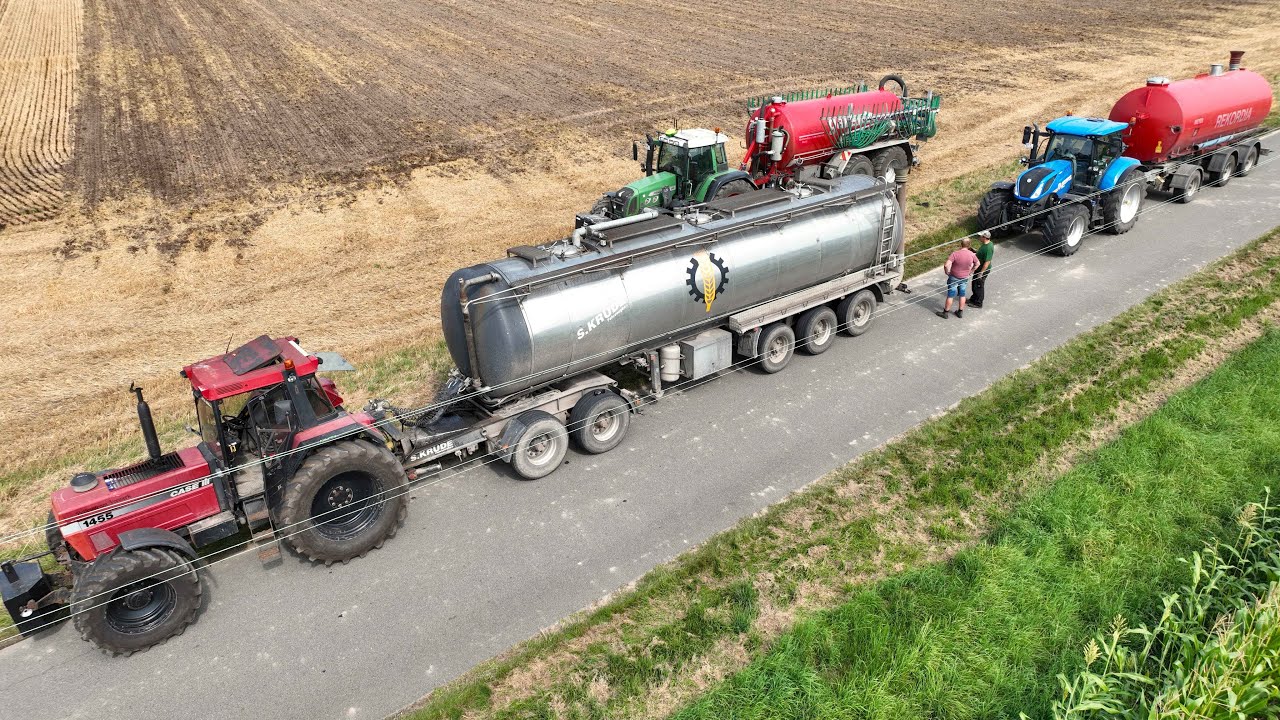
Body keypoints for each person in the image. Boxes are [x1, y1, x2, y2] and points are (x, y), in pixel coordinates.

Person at [936, 237, 979, 319]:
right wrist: (971, 271)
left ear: (961, 244)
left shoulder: (955, 254)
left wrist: (946, 271)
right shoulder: (972, 254)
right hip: (965, 277)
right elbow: (978, 263)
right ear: (969, 245)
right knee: (962, 294)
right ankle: (960, 312)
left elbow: (946, 264)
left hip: (954, 277)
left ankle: (946, 313)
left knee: (951, 295)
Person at [969, 230, 994, 308]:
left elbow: (987, 262)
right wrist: (975, 251)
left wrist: (981, 273)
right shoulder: (985, 244)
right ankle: (974, 299)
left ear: (985, 237)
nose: (979, 237)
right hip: (978, 268)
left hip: (982, 270)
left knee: (979, 286)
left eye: (980, 236)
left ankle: (979, 303)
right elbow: (981, 254)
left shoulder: (988, 248)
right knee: (974, 284)